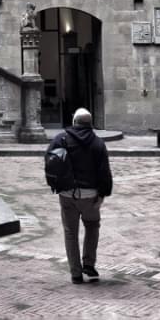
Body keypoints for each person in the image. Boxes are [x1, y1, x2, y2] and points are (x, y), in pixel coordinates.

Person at [47, 107, 113, 284]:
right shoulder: (98, 143)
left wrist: (56, 185)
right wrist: (103, 193)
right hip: (91, 195)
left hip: (67, 194)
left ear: (74, 122)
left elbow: (50, 162)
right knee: (92, 227)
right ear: (90, 123)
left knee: (70, 233)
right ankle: (89, 264)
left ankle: (76, 273)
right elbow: (104, 171)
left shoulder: (60, 139)